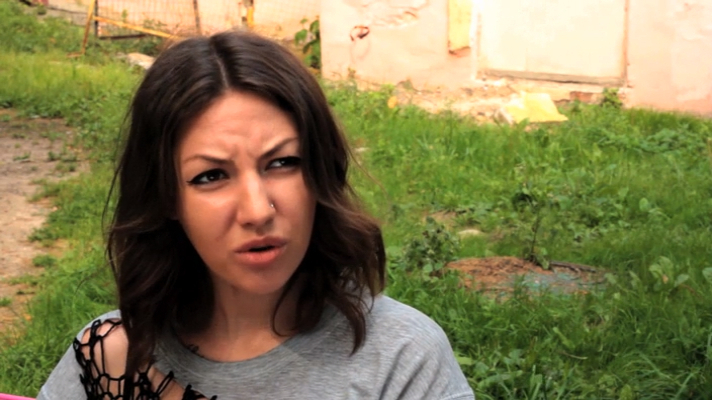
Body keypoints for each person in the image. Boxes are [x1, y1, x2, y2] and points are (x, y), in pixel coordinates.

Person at [36, 30, 475, 400]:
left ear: (320, 171)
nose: (257, 210)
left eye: (282, 163)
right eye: (211, 176)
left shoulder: (401, 358)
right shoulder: (110, 360)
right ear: (167, 198)